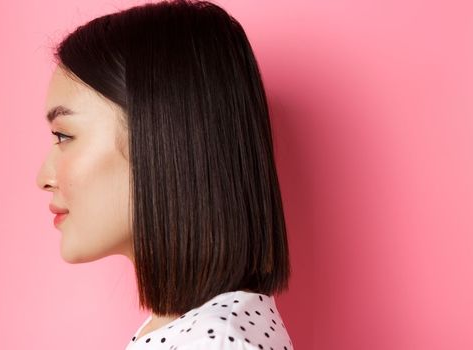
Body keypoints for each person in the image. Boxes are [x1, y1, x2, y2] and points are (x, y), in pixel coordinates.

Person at [35, 1, 293, 349]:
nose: (43, 177)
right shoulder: (192, 329)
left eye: (64, 136)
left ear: (159, 137)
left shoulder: (215, 342)